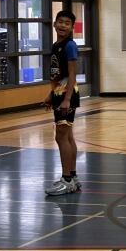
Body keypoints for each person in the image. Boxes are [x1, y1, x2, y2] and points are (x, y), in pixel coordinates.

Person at [42, 10, 81, 196]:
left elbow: (72, 74)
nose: (63, 25)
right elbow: (58, 75)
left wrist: (66, 99)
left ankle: (66, 180)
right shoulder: (56, 45)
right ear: (55, 24)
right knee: (68, 136)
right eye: (61, 22)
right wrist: (52, 94)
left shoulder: (70, 45)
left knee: (61, 137)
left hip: (67, 94)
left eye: (67, 23)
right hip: (59, 92)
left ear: (72, 27)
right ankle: (72, 177)